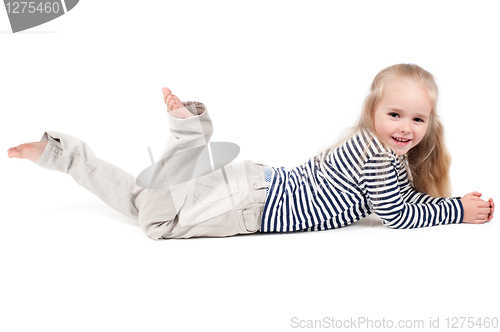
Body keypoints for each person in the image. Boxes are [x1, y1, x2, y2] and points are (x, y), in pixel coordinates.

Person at [7, 64, 495, 240]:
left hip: (253, 185)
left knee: (142, 203)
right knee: (156, 221)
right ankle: (187, 132)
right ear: (373, 114)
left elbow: (379, 202)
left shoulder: (361, 145)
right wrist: (457, 209)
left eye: (417, 118)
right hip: (248, 203)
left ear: (430, 124)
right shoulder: (379, 155)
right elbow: (397, 214)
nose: (406, 128)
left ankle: (58, 153)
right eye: (395, 114)